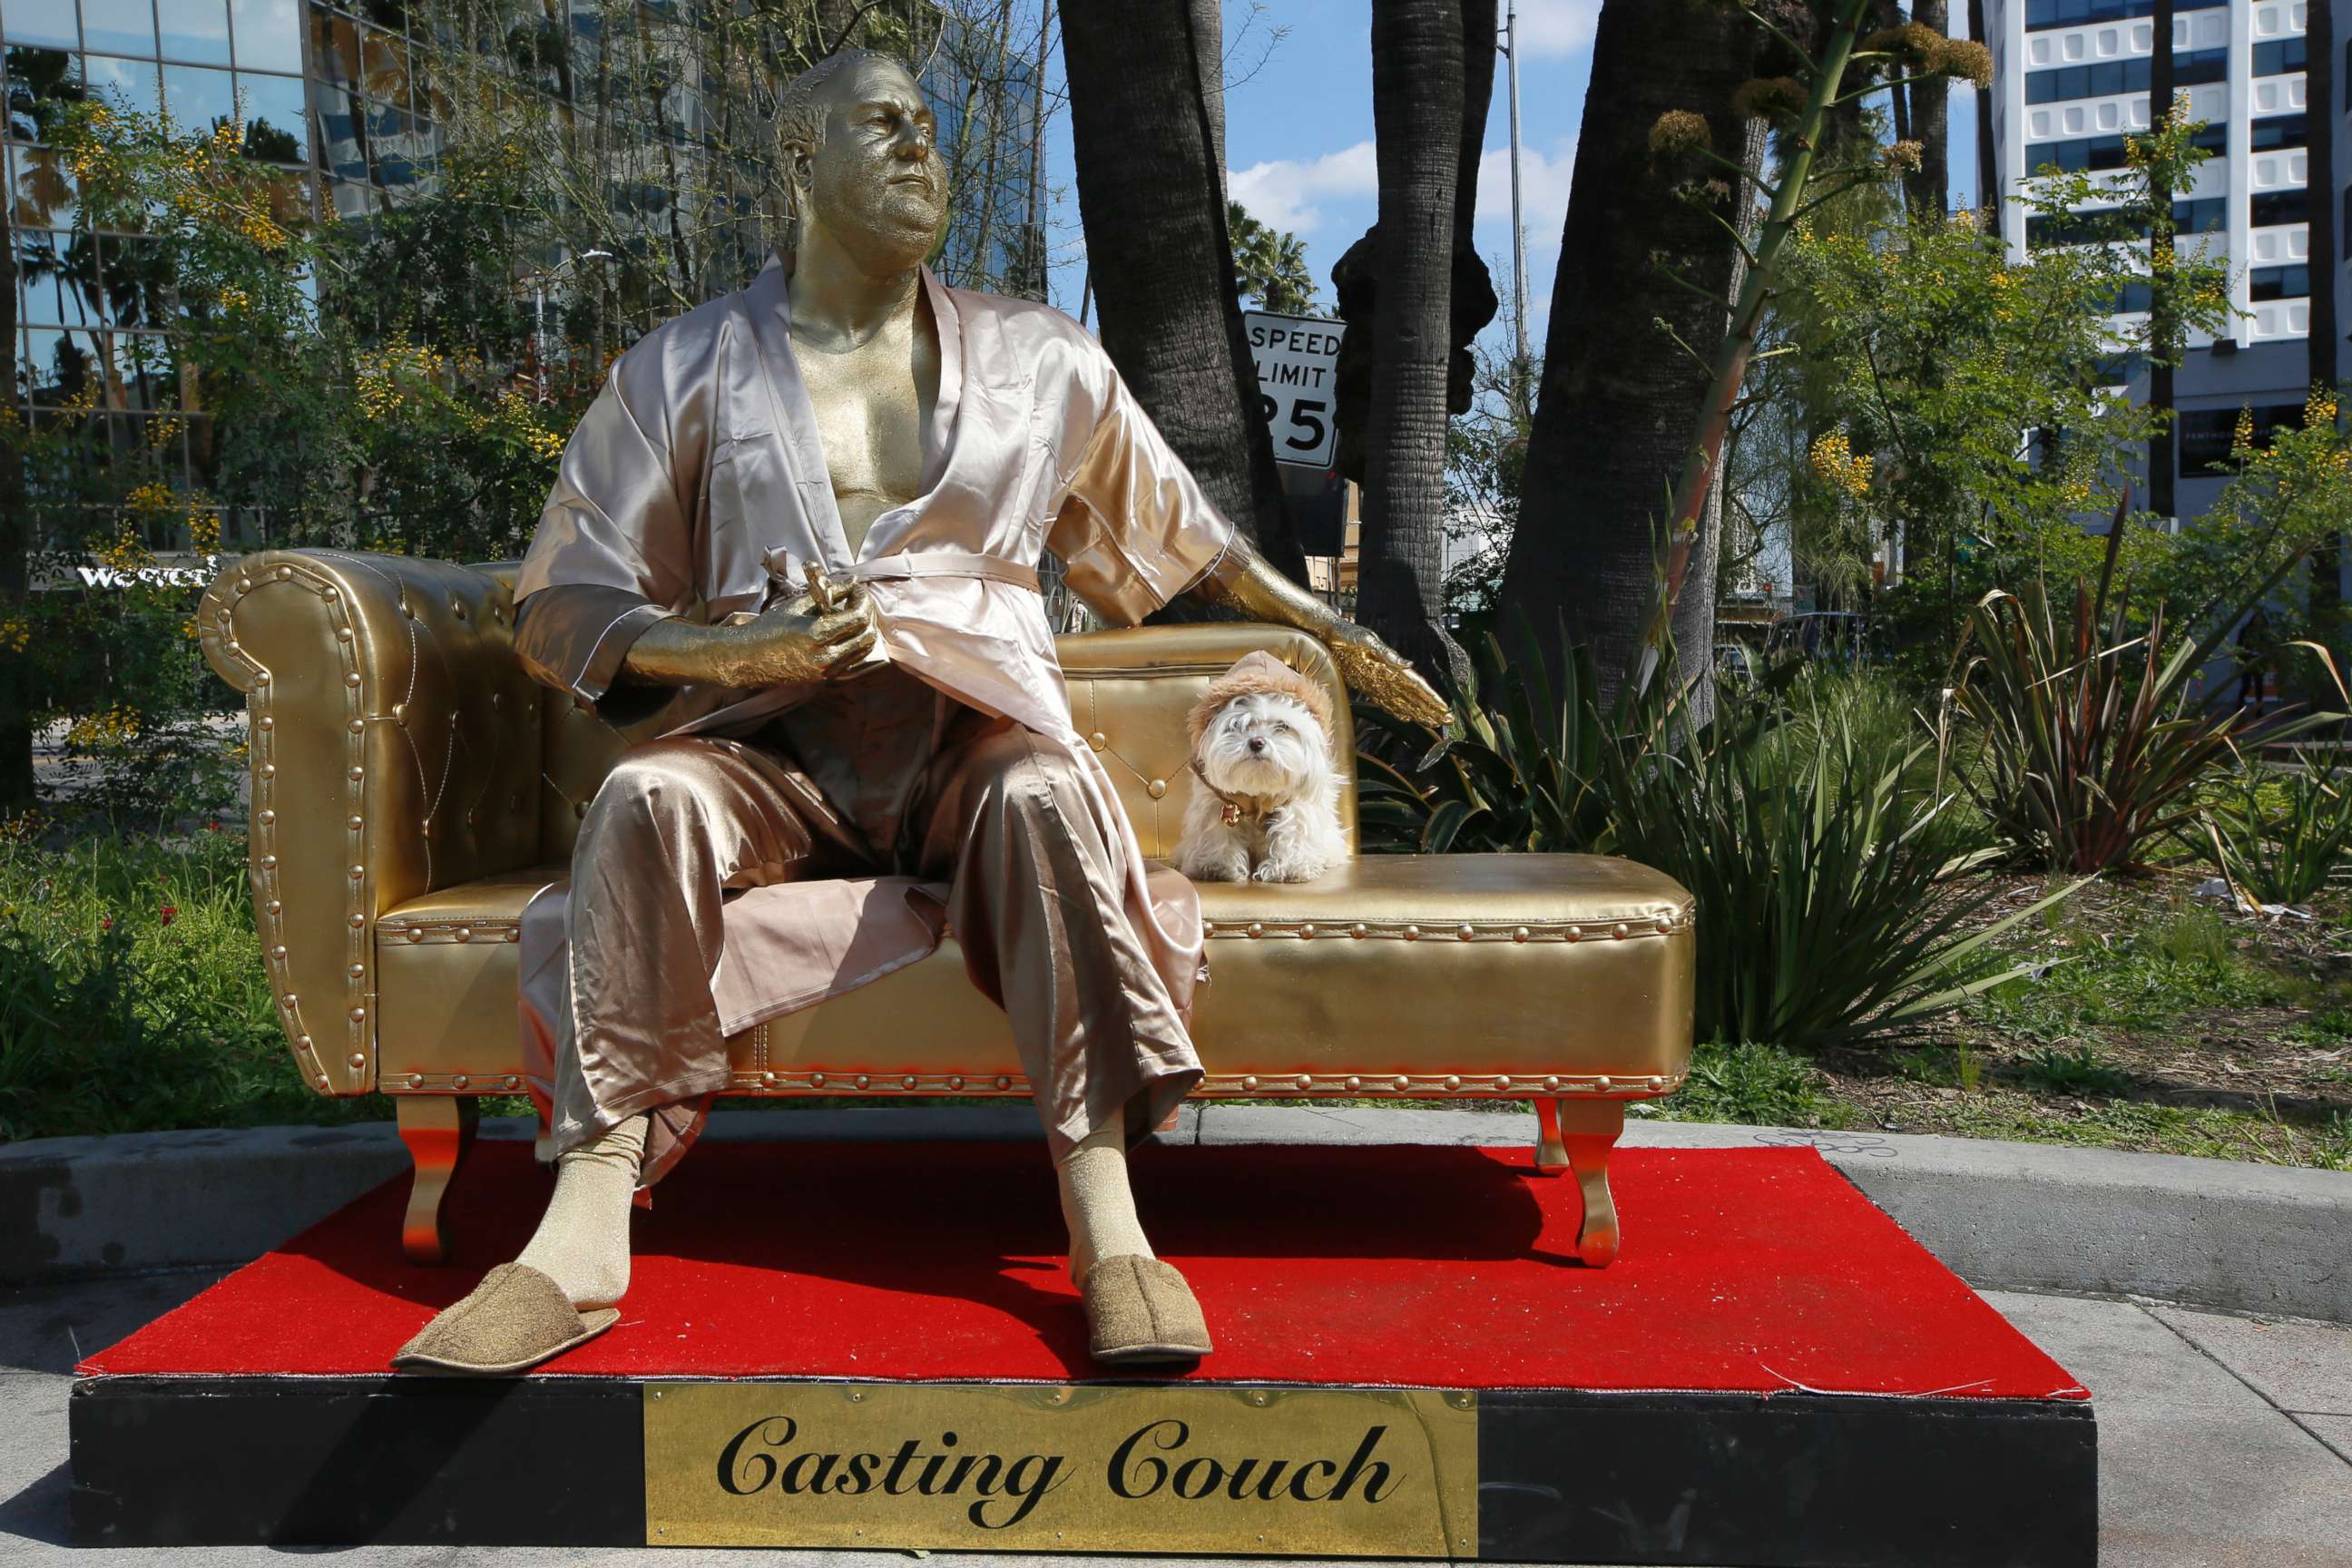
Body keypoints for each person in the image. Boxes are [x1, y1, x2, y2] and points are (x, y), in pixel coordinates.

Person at [393, 48, 1446, 1377]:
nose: (919, 152)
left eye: (932, 131)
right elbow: (562, 600)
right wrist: (732, 655)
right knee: (643, 798)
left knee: (1053, 791)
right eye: (881, 124)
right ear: (796, 154)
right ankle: (584, 1222)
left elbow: (1190, 544)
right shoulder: (680, 368)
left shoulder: (1042, 359)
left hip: (972, 740)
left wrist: (1336, 632)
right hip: (769, 751)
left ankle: (1106, 1212)